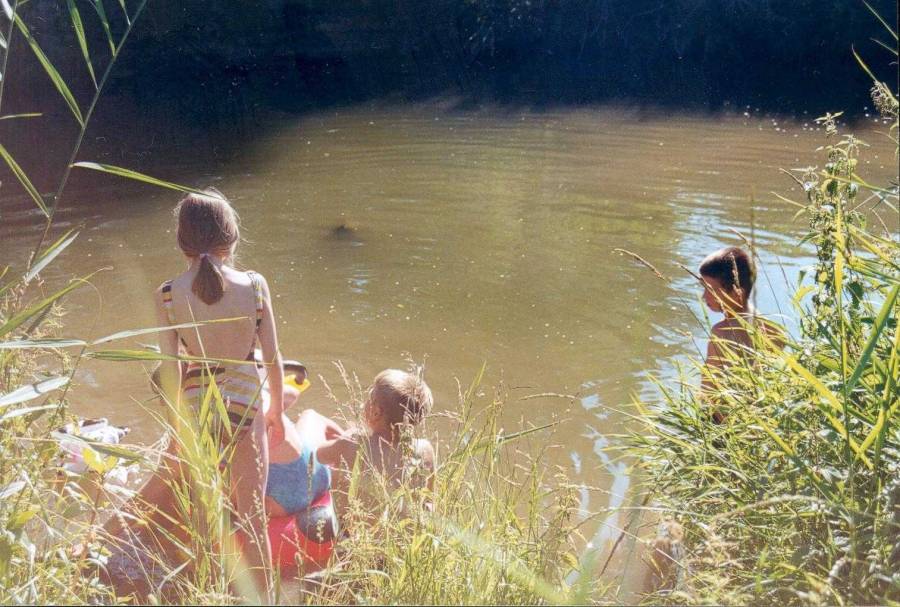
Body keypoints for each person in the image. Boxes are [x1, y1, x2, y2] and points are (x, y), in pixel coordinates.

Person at [153, 187, 284, 600]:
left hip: (197, 408)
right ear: (232, 238)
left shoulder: (168, 294)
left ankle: (205, 592)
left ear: (181, 241)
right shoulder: (255, 285)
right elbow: (274, 358)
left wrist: (178, 425)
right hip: (246, 404)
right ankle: (262, 596)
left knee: (204, 513)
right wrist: (276, 412)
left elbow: (171, 369)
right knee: (252, 517)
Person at [315, 369, 436, 520]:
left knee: (310, 416)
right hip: (397, 537)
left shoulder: (351, 443)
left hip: (349, 533)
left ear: (376, 412)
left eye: (369, 397)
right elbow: (430, 501)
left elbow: (315, 454)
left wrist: (342, 439)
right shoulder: (426, 449)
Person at [698, 246, 781, 420]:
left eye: (710, 290)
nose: (704, 296)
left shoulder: (720, 333)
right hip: (759, 420)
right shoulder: (773, 329)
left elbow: (708, 393)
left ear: (737, 294)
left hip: (725, 426)